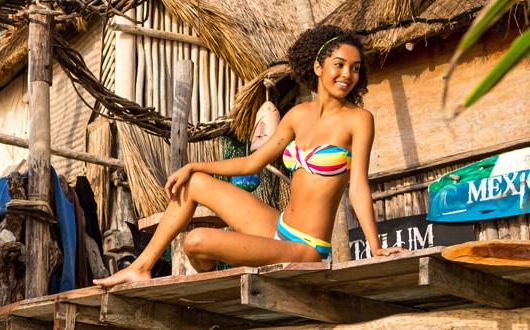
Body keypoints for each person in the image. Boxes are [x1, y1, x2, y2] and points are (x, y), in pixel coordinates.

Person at [94, 25, 405, 287]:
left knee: (196, 241)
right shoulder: (297, 115)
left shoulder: (358, 119)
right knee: (194, 182)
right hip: (277, 226)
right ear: (318, 67)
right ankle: (142, 266)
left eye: (355, 68)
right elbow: (252, 163)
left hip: (306, 248)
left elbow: (358, 186)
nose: (347, 74)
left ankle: (213, 284)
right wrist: (194, 165)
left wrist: (375, 246)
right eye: (339, 64)